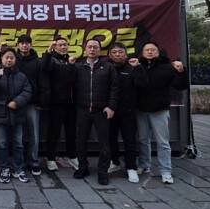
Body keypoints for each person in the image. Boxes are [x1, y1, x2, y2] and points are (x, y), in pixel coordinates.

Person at [136, 41, 188, 184]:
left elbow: (180, 85)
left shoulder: (167, 67)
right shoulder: (137, 66)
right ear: (142, 52)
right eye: (147, 50)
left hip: (160, 110)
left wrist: (181, 71)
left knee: (163, 142)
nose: (150, 52)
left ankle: (165, 171)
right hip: (140, 109)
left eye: (153, 50)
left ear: (158, 52)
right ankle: (144, 165)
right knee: (143, 140)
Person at [73, 39, 119, 185]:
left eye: (95, 47)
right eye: (90, 47)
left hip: (102, 111)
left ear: (100, 50)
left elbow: (115, 88)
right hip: (83, 109)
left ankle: (102, 172)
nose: (92, 49)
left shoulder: (108, 67)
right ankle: (82, 167)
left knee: (104, 143)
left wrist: (111, 107)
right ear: (85, 49)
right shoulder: (78, 66)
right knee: (80, 141)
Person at [0, 48, 32, 184]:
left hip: (17, 114)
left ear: (15, 59)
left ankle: (18, 168)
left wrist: (17, 102)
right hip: (1, 114)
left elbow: (28, 91)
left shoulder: (21, 76)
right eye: (6, 57)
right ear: (2, 59)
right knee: (3, 143)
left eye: (11, 57)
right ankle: (4, 168)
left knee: (18, 144)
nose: (9, 60)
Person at [107, 42, 148, 183]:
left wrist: (138, 68)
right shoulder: (106, 67)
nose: (117, 55)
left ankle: (131, 168)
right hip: (110, 111)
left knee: (129, 140)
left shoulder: (132, 67)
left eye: (120, 52)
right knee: (110, 139)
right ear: (110, 55)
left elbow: (142, 84)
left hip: (128, 111)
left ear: (125, 54)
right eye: (114, 52)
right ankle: (115, 162)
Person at [41, 37, 78, 172]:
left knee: (71, 132)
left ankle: (72, 156)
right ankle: (51, 158)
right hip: (56, 103)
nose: (63, 47)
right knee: (54, 132)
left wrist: (72, 66)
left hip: (71, 103)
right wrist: (48, 51)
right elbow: (44, 68)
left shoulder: (71, 60)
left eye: (65, 45)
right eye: (60, 45)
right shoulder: (51, 60)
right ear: (55, 47)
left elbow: (73, 80)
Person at [14, 34, 44, 176]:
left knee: (34, 134)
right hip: (16, 102)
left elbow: (42, 82)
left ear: (31, 45)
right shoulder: (13, 59)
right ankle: (19, 162)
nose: (24, 45)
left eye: (27, 43)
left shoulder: (37, 61)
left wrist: (40, 101)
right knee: (18, 135)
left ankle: (34, 161)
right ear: (18, 45)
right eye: (22, 43)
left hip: (33, 103)